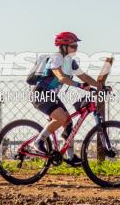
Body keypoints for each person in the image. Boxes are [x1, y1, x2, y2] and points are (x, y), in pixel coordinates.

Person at [29, 31, 103, 166]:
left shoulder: (70, 62)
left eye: (76, 46)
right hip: (40, 94)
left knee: (68, 123)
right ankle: (38, 142)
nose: (76, 49)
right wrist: (80, 85)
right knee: (61, 118)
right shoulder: (57, 58)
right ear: (63, 46)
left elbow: (84, 77)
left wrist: (101, 86)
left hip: (51, 95)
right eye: (73, 46)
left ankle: (70, 157)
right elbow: (61, 77)